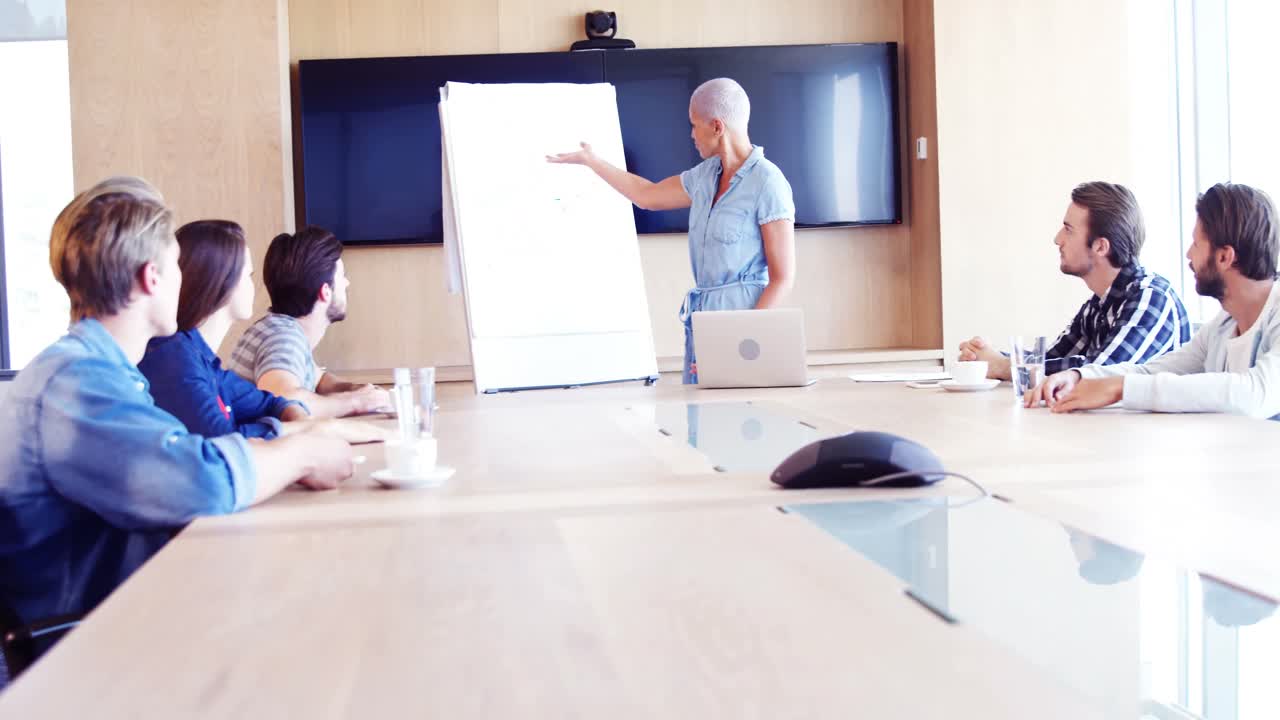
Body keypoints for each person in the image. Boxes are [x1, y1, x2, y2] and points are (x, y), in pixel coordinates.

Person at [0, 177, 354, 650]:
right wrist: (302, 453)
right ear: (152, 277)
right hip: (84, 650)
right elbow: (200, 481)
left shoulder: (102, 372)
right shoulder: (76, 383)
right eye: (175, 266)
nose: (184, 280)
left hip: (128, 618)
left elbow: (181, 456)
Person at [548, 77, 797, 383]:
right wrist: (593, 162)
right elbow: (648, 196)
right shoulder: (705, 175)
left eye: (694, 125)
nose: (691, 134)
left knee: (735, 423)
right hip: (704, 321)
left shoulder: (769, 183)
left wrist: (742, 340)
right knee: (699, 424)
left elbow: (782, 278)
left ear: (717, 127)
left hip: (744, 324)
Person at [1028, 183, 1280, 417]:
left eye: (1196, 243)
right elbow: (1151, 370)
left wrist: (1122, 389)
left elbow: (1257, 392)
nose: (1188, 253)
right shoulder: (1222, 326)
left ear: (1224, 257)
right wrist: (1079, 376)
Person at [960, 182, 1189, 378]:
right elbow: (1051, 359)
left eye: (1068, 230)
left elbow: (1098, 373)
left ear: (1100, 246)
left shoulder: (1152, 297)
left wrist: (1004, 367)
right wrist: (989, 358)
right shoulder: (1098, 305)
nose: (1057, 239)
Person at [138, 220, 308, 438]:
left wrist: (298, 419)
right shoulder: (174, 359)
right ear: (222, 281)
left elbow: (273, 403)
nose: (253, 285)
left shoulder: (205, 360)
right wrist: (304, 429)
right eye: (248, 275)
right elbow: (225, 443)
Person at [227, 226, 391, 417]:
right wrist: (356, 402)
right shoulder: (284, 339)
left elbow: (318, 379)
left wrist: (361, 390)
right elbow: (284, 399)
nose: (347, 284)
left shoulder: (274, 327)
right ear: (325, 292)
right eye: (342, 277)